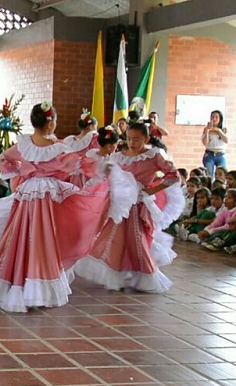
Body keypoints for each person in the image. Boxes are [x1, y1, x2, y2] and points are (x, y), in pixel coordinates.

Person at [0, 103, 98, 312]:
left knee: (22, 235)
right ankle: (39, 281)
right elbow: (77, 164)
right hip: (48, 193)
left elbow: (5, 158)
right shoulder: (58, 147)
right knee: (46, 236)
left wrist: (19, 176)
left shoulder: (24, 144)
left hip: (28, 191)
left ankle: (16, 279)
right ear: (50, 123)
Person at [73, 122, 184, 293]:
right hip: (119, 203)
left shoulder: (153, 156)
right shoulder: (119, 156)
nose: (132, 143)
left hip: (138, 205)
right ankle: (118, 273)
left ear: (146, 138)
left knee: (137, 239)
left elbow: (173, 176)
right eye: (129, 139)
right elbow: (107, 176)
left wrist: (152, 189)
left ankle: (145, 275)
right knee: (116, 238)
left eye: (137, 140)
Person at [201, 110, 228, 178]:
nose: (214, 119)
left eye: (216, 117)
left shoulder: (224, 129)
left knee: (222, 174)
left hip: (220, 154)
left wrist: (219, 131)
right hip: (209, 154)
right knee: (209, 176)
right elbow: (205, 143)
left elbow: (226, 140)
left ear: (220, 119)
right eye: (212, 117)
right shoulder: (206, 129)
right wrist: (207, 131)